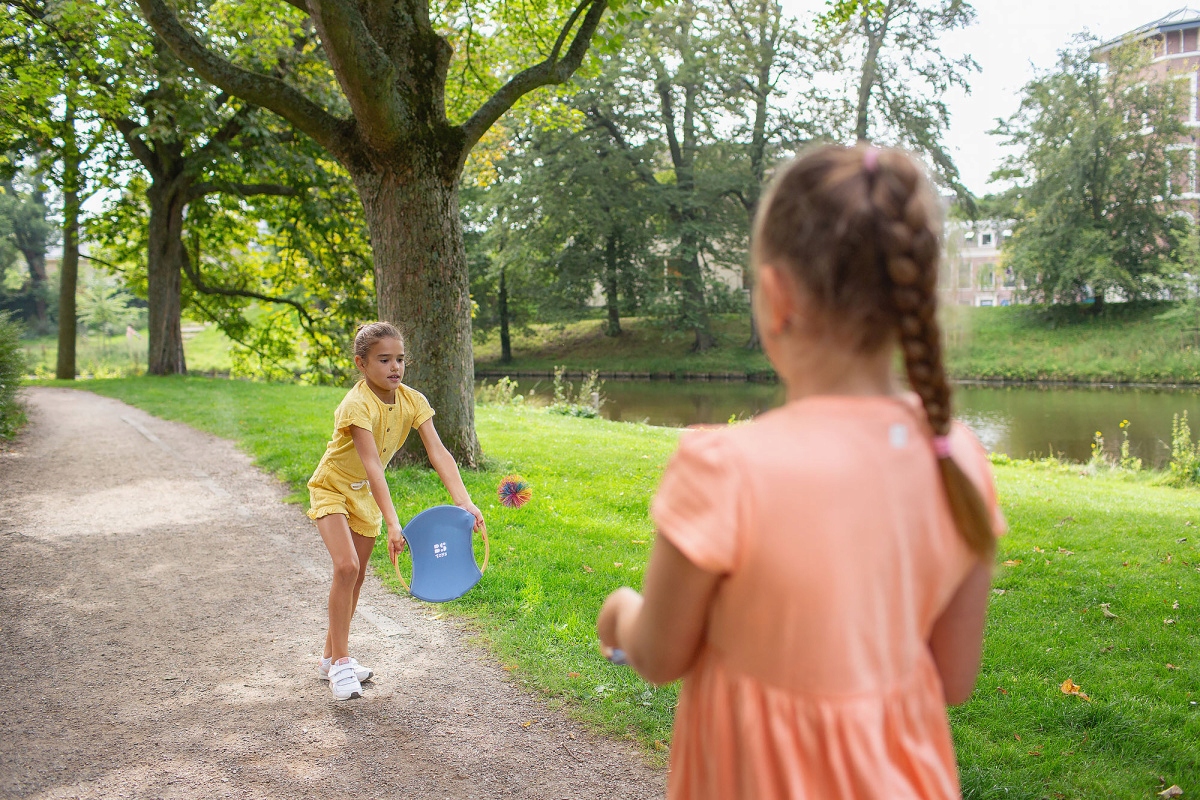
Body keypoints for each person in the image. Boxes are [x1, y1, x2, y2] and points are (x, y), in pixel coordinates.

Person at [596, 145, 1004, 798]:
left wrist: (619, 614)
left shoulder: (725, 469)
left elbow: (660, 655)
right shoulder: (957, 455)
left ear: (777, 295)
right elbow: (953, 679)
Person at [307, 322, 485, 701]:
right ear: (361, 363)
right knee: (346, 567)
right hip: (332, 487)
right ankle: (341, 663)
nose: (395, 367)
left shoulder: (413, 400)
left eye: (400, 359)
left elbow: (438, 452)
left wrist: (464, 501)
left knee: (355, 579)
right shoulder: (356, 405)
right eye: (384, 360)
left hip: (364, 499)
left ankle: (329, 658)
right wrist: (393, 523)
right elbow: (372, 466)